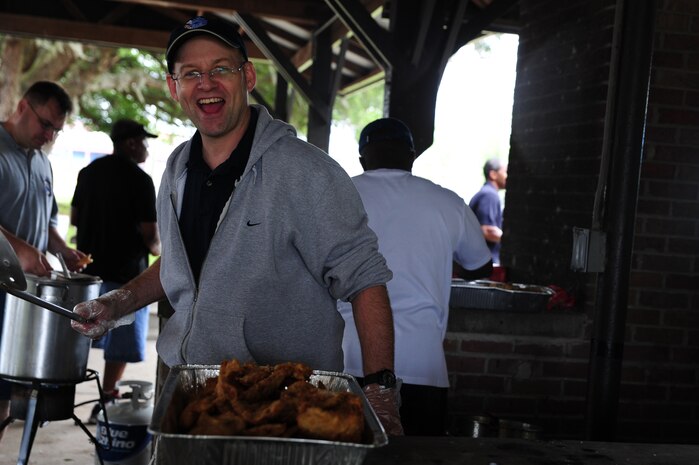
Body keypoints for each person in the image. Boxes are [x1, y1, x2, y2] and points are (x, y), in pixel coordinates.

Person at [70, 16, 403, 435]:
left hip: (285, 406)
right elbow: (181, 265)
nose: (206, 83)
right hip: (191, 395)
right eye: (191, 73)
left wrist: (380, 393)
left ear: (247, 75)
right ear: (175, 89)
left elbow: (366, 282)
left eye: (220, 69)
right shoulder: (176, 169)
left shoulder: (306, 173)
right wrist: (116, 304)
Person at [338, 117, 493, 435]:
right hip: (424, 365)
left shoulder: (337, 197)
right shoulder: (447, 202)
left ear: (362, 159)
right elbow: (481, 267)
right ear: (411, 156)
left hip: (347, 359)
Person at [0, 81, 89, 441]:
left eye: (56, 129)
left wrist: (62, 249)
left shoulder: (42, 162)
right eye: (45, 124)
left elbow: (47, 218)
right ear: (23, 107)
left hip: (21, 299)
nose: (49, 135)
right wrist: (20, 250)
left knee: (5, 390)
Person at [70, 119, 161, 423]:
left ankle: (63, 396)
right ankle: (106, 399)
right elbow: (151, 239)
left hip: (87, 274)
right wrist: (164, 253)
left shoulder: (87, 173)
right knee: (120, 347)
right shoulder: (141, 180)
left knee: (79, 336)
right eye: (144, 142)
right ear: (132, 144)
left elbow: (75, 219)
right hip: (126, 279)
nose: (147, 147)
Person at [469, 158, 507, 264]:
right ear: (493, 174)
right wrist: (511, 242)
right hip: (484, 262)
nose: (508, 176)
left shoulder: (485, 193)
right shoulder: (490, 195)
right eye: (505, 172)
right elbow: (487, 230)